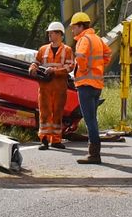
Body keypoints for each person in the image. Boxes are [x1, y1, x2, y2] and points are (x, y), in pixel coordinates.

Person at [68, 11, 109, 164]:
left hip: (85, 84)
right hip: (97, 84)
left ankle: (94, 154)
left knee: (89, 120)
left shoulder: (83, 39)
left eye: (74, 27)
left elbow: (80, 57)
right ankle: (94, 153)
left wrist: (84, 70)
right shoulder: (97, 39)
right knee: (93, 119)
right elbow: (107, 54)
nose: (72, 30)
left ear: (81, 26)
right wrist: (98, 68)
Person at [29, 21, 74, 150]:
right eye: (49, 33)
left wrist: (55, 71)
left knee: (58, 113)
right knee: (44, 113)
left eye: (52, 33)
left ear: (59, 34)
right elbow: (36, 62)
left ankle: (56, 140)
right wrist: (32, 68)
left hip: (59, 87)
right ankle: (44, 139)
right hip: (45, 87)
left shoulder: (67, 50)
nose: (49, 35)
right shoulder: (43, 49)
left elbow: (70, 67)